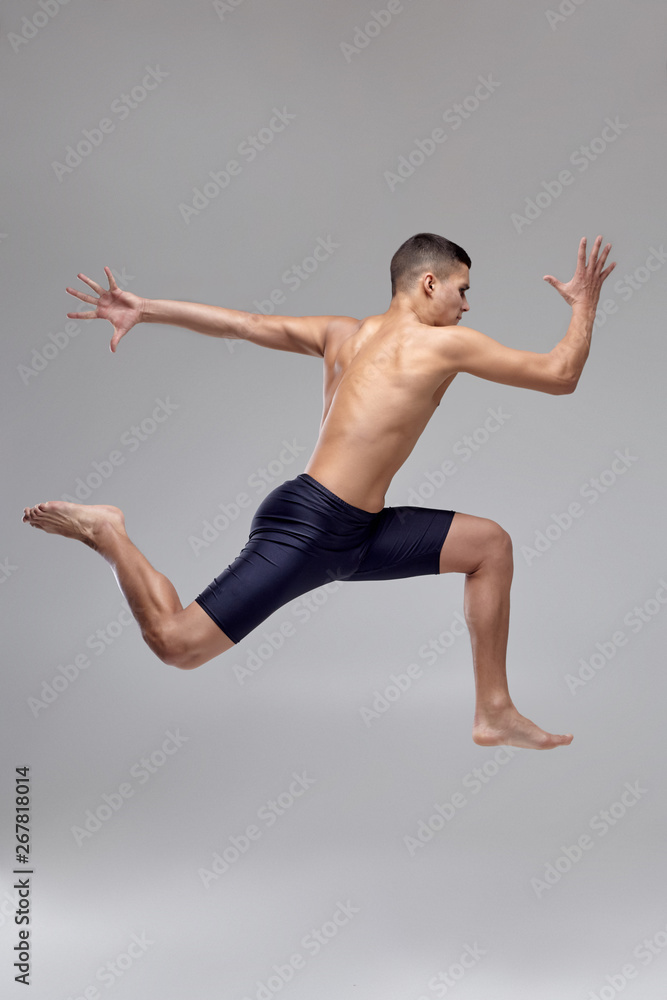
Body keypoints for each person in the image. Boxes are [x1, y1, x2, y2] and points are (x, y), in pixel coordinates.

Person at [23, 232, 616, 748]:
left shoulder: (341, 333)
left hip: (357, 531)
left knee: (489, 546)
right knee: (178, 643)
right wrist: (584, 304)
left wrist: (147, 308)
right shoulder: (442, 344)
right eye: (462, 290)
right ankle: (108, 531)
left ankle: (494, 711)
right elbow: (560, 375)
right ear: (429, 284)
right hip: (313, 527)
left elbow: (244, 324)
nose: (467, 304)